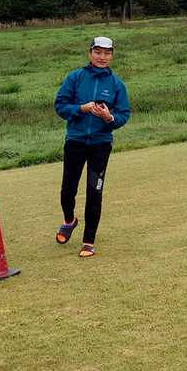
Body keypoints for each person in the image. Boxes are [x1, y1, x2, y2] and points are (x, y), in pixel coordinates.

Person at [54, 36, 131, 258]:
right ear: (90, 53)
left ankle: (88, 241)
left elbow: (123, 114)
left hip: (100, 144)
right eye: (98, 52)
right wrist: (81, 108)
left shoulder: (117, 84)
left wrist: (109, 118)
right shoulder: (75, 77)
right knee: (68, 190)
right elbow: (60, 105)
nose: (102, 57)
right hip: (75, 141)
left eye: (107, 53)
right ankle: (69, 221)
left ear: (112, 55)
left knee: (94, 192)